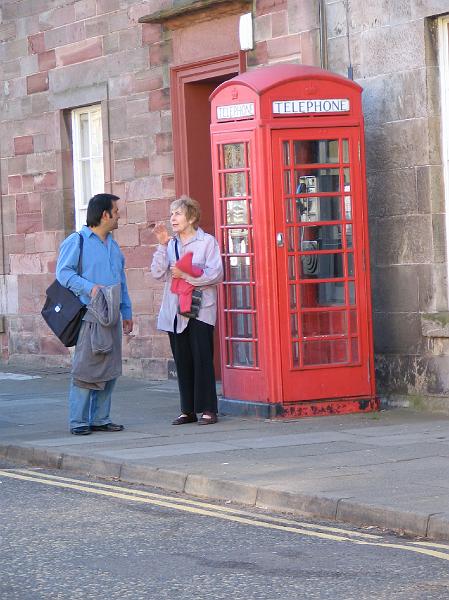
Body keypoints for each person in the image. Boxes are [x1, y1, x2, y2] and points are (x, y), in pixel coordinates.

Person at [56, 193, 133, 435]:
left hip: (112, 316)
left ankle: (100, 418)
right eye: (116, 210)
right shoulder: (77, 241)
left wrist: (127, 311)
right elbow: (63, 274)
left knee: (110, 369)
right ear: (104, 214)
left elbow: (122, 281)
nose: (119, 215)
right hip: (90, 315)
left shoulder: (113, 243)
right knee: (86, 369)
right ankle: (78, 421)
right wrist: (90, 287)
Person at [151, 195, 223, 425]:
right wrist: (162, 245)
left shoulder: (207, 242)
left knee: (202, 357)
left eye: (178, 213)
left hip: (200, 308)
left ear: (191, 217)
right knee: (182, 359)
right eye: (172, 214)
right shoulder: (170, 244)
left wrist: (187, 275)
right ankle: (188, 409)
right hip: (175, 309)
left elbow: (216, 274)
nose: (173, 218)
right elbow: (157, 273)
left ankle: (209, 409)